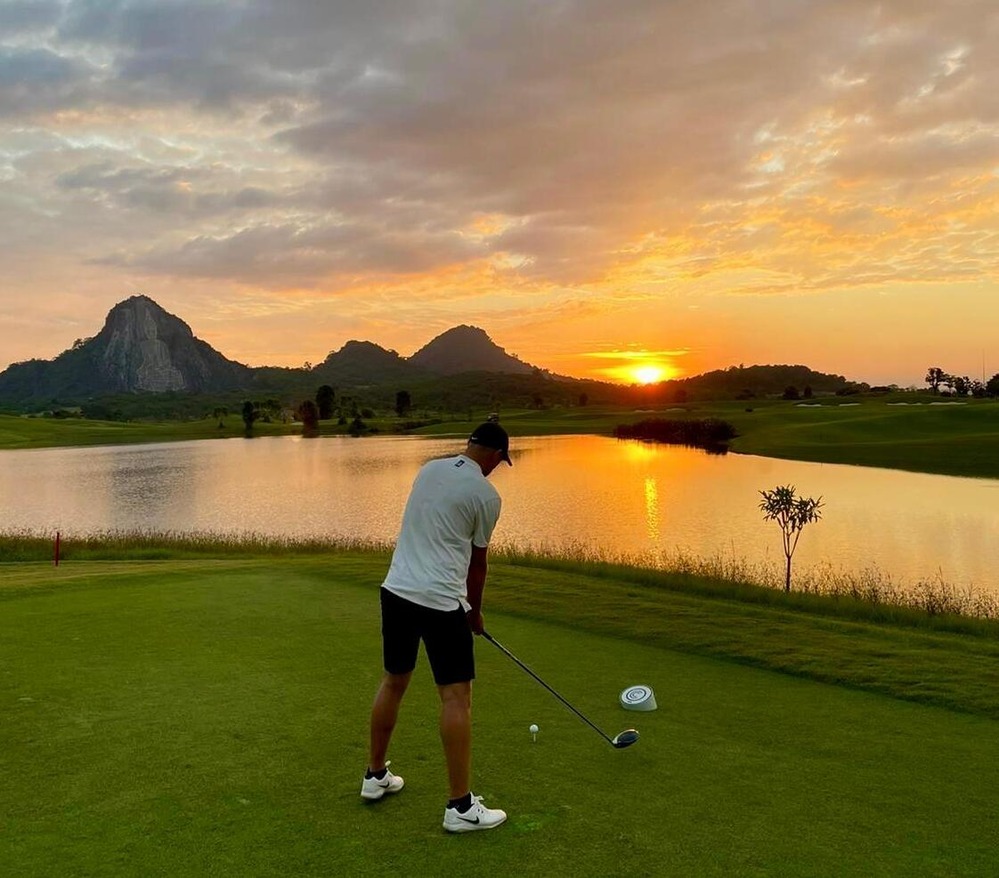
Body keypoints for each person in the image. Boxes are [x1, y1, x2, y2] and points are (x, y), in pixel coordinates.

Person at [360, 422, 513, 833]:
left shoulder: (429, 469)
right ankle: (460, 807)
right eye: (501, 461)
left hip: (396, 591)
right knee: (456, 696)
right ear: (497, 456)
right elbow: (477, 565)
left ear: (469, 445)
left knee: (394, 680)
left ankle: (374, 776)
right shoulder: (487, 495)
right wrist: (474, 613)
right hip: (441, 602)